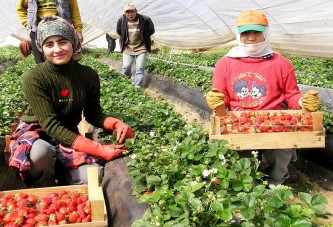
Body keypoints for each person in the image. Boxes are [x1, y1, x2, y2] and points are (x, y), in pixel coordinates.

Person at [8, 15, 134, 188]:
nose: (57, 49)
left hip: (67, 135)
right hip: (38, 133)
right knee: (40, 154)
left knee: (92, 177)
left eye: (62, 42)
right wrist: (99, 149)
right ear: (42, 49)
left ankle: (61, 169)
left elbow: (93, 114)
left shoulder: (88, 75)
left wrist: (115, 123)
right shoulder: (34, 77)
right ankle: (43, 188)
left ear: (73, 43)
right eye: (49, 44)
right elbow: (50, 125)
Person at [205, 10, 320, 185]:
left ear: (265, 33)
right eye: (246, 33)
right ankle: (247, 181)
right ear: (239, 35)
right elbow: (223, 96)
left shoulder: (281, 63)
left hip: (274, 119)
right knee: (244, 167)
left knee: (280, 149)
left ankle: (276, 179)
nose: (251, 37)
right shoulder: (225, 63)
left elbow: (291, 94)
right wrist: (217, 101)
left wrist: (302, 102)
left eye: (256, 32)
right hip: (239, 121)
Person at [16, 0, 84, 63]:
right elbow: (20, 10)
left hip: (61, 30)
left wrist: (78, 30)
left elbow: (75, 12)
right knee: (40, 61)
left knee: (65, 58)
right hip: (37, 31)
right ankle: (44, 75)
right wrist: (27, 24)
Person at [116, 3, 155, 88]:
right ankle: (125, 83)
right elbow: (119, 32)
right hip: (127, 47)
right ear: (125, 13)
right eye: (127, 12)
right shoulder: (121, 20)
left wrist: (144, 37)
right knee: (126, 67)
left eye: (132, 12)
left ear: (136, 11)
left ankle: (137, 87)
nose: (130, 14)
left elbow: (151, 30)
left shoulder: (145, 19)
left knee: (140, 68)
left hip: (141, 47)